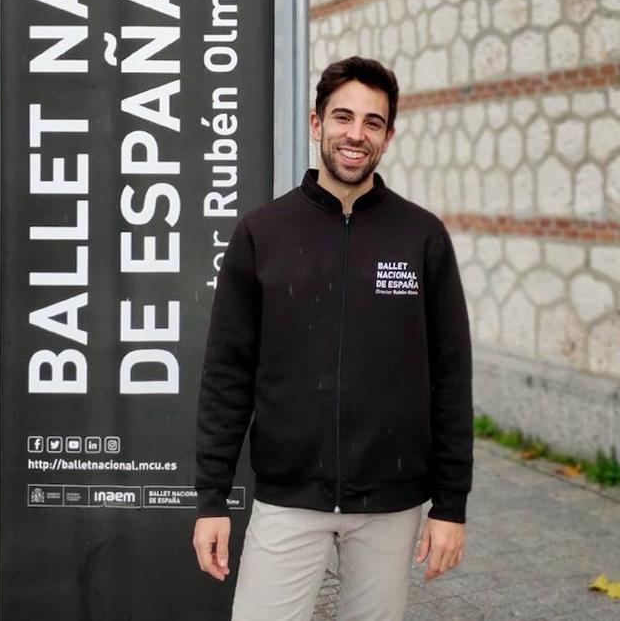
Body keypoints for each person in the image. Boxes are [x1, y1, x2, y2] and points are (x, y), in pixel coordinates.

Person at [193, 56, 473, 621]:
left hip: (391, 503)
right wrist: (211, 500)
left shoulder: (422, 236)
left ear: (388, 136)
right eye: (343, 117)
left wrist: (451, 506)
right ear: (316, 123)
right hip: (288, 498)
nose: (356, 134)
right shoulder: (262, 232)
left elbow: (451, 377)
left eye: (373, 122)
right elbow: (227, 373)